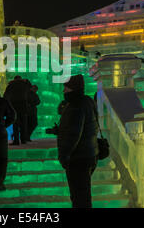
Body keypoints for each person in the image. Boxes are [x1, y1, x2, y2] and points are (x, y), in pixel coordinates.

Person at [57, 75, 99, 208]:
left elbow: (74, 133)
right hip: (89, 154)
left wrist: (64, 156)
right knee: (83, 195)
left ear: (73, 89)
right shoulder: (87, 101)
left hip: (78, 158)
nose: (64, 90)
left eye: (66, 87)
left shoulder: (76, 105)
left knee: (80, 198)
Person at [3, 76, 30, 145]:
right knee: (24, 124)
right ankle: (23, 140)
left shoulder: (11, 85)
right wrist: (25, 80)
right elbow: (30, 87)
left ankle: (16, 140)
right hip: (23, 106)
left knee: (15, 124)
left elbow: (5, 95)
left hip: (14, 106)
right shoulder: (24, 85)